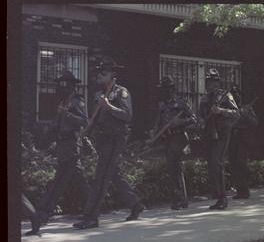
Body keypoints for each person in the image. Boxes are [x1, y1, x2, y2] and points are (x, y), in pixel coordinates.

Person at [73, 60, 144, 230]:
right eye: (98, 73)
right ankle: (135, 204)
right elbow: (95, 120)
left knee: (101, 177)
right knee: (112, 174)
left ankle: (91, 217)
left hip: (115, 139)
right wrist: (85, 134)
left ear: (113, 75)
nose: (99, 75)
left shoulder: (121, 93)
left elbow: (128, 116)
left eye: (103, 73)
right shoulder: (98, 95)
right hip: (103, 140)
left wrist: (109, 106)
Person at [36, 70, 90, 227]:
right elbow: (57, 124)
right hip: (63, 146)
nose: (61, 87)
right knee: (79, 182)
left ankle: (43, 213)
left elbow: (84, 122)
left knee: (59, 181)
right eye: (60, 84)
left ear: (72, 86)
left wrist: (67, 114)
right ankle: (92, 210)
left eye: (64, 84)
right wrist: (45, 139)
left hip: (71, 146)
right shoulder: (64, 102)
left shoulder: (76, 101)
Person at [148, 76, 197, 210]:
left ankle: (181, 198)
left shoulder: (181, 103)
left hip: (179, 137)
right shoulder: (163, 105)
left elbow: (193, 119)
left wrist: (180, 122)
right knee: (172, 168)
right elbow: (159, 122)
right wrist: (154, 132)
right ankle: (179, 198)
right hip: (168, 138)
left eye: (166, 89)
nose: (164, 92)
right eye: (162, 89)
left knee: (175, 165)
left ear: (172, 89)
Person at [199, 69, 240, 210]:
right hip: (209, 134)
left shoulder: (225, 95)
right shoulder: (204, 99)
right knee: (211, 166)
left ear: (217, 82)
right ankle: (217, 197)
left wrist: (221, 111)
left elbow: (236, 113)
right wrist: (202, 121)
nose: (210, 84)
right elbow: (201, 117)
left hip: (222, 133)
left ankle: (223, 198)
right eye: (208, 81)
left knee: (217, 163)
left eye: (212, 81)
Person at [228, 85, 258, 199]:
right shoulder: (228, 109)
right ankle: (238, 189)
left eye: (237, 95)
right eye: (233, 95)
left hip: (243, 138)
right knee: (233, 163)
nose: (235, 97)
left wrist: (246, 116)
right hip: (232, 138)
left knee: (241, 163)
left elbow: (255, 122)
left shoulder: (246, 108)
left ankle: (244, 190)